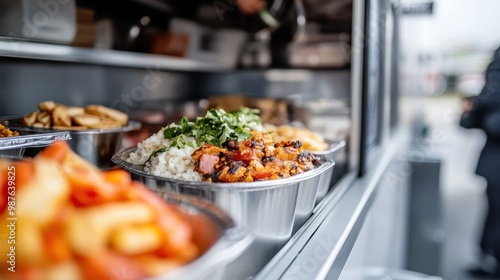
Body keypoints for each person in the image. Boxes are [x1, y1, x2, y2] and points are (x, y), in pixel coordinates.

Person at [460, 46, 500, 277]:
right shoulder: (491, 92)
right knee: (494, 213)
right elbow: (469, 122)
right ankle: (488, 259)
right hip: (494, 165)